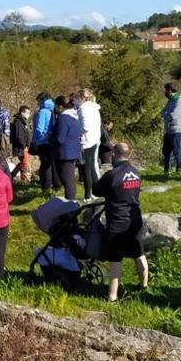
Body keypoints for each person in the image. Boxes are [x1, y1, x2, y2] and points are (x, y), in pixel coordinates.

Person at [93, 142, 147, 300]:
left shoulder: (112, 174)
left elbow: (96, 190)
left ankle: (112, 296)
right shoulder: (136, 173)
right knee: (139, 252)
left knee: (115, 258)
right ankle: (144, 285)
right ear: (129, 155)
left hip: (118, 220)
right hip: (135, 218)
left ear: (113, 155)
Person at [55, 95, 81, 201]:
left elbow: (60, 138)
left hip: (65, 152)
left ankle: (70, 203)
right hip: (73, 150)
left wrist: (51, 137)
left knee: (67, 180)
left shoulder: (63, 118)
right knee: (69, 178)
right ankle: (70, 201)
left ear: (60, 106)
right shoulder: (74, 116)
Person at [78, 89, 102, 200]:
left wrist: (76, 131)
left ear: (81, 98)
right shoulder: (94, 107)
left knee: (86, 169)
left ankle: (88, 195)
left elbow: (85, 127)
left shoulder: (83, 108)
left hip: (86, 140)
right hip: (94, 138)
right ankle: (97, 192)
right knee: (92, 167)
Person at [33, 93, 58, 196]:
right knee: (52, 164)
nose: (37, 103)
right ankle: (55, 185)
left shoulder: (42, 111)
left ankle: (45, 187)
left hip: (43, 141)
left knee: (44, 165)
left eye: (38, 101)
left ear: (41, 100)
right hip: (53, 140)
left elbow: (39, 127)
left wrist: (37, 138)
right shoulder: (54, 109)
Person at [160, 83, 181, 176]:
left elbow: (174, 115)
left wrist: (166, 116)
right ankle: (167, 170)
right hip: (168, 130)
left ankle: (179, 169)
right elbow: (162, 112)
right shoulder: (170, 101)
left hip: (176, 130)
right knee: (166, 151)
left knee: (176, 150)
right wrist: (166, 114)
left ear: (170, 91)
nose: (165, 92)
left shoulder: (180, 101)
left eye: (166, 90)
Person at [10, 105, 32, 182]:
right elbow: (19, 135)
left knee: (23, 162)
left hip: (25, 146)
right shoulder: (18, 121)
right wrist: (24, 145)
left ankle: (12, 174)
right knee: (25, 163)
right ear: (22, 112)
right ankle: (25, 180)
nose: (29, 115)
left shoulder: (23, 121)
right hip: (22, 147)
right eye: (27, 113)